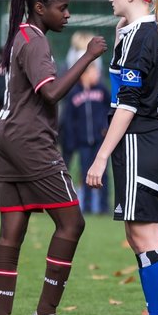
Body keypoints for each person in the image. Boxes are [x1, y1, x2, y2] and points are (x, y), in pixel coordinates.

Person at [0, 0, 107, 315]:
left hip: (6, 135)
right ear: (40, 8)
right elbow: (52, 93)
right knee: (72, 223)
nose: (67, 14)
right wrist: (88, 56)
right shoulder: (35, 42)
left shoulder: (22, 36)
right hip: (29, 141)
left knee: (12, 230)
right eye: (62, 7)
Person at [84, 0, 158, 315]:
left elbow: (128, 105)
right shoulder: (138, 33)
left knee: (145, 234)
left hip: (141, 140)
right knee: (136, 234)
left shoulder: (141, 36)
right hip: (143, 140)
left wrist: (101, 155)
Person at [60, 62, 110, 214]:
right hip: (83, 142)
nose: (97, 75)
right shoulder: (74, 93)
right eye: (94, 72)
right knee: (85, 173)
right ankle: (87, 207)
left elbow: (111, 109)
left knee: (103, 175)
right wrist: (71, 140)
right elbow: (68, 118)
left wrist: (106, 127)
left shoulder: (102, 91)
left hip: (99, 141)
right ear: (84, 74)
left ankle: (103, 206)